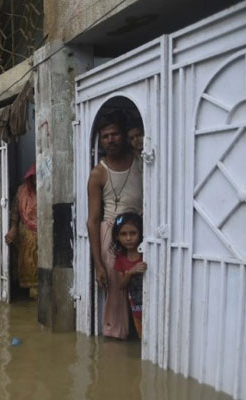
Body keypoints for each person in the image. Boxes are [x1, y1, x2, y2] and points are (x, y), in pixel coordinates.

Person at [87, 110, 143, 339]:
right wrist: (98, 264)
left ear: (124, 135)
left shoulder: (141, 159)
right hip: (110, 235)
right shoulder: (98, 173)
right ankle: (116, 341)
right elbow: (92, 220)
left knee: (143, 282)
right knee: (116, 293)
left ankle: (145, 338)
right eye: (105, 136)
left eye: (115, 134)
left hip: (140, 231)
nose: (110, 140)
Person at [4, 164, 38, 299]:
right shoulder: (22, 191)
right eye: (34, 178)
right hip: (27, 232)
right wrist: (13, 228)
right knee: (28, 261)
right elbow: (15, 212)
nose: (36, 181)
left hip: (45, 230)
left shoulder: (48, 189)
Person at [112, 212, 147, 340]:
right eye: (123, 234)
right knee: (142, 336)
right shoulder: (120, 259)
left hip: (153, 304)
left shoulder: (148, 254)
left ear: (141, 233)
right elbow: (121, 285)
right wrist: (131, 271)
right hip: (136, 308)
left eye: (133, 233)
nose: (128, 238)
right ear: (117, 237)